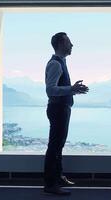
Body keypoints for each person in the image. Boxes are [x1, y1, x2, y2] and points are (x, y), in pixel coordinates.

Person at [43, 32, 89, 195]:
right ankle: (50, 184)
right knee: (55, 146)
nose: (72, 45)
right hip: (58, 109)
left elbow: (58, 88)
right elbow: (50, 90)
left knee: (58, 145)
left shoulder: (61, 62)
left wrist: (74, 90)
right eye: (69, 42)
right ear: (61, 43)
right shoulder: (55, 64)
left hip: (61, 108)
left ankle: (58, 177)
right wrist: (71, 89)